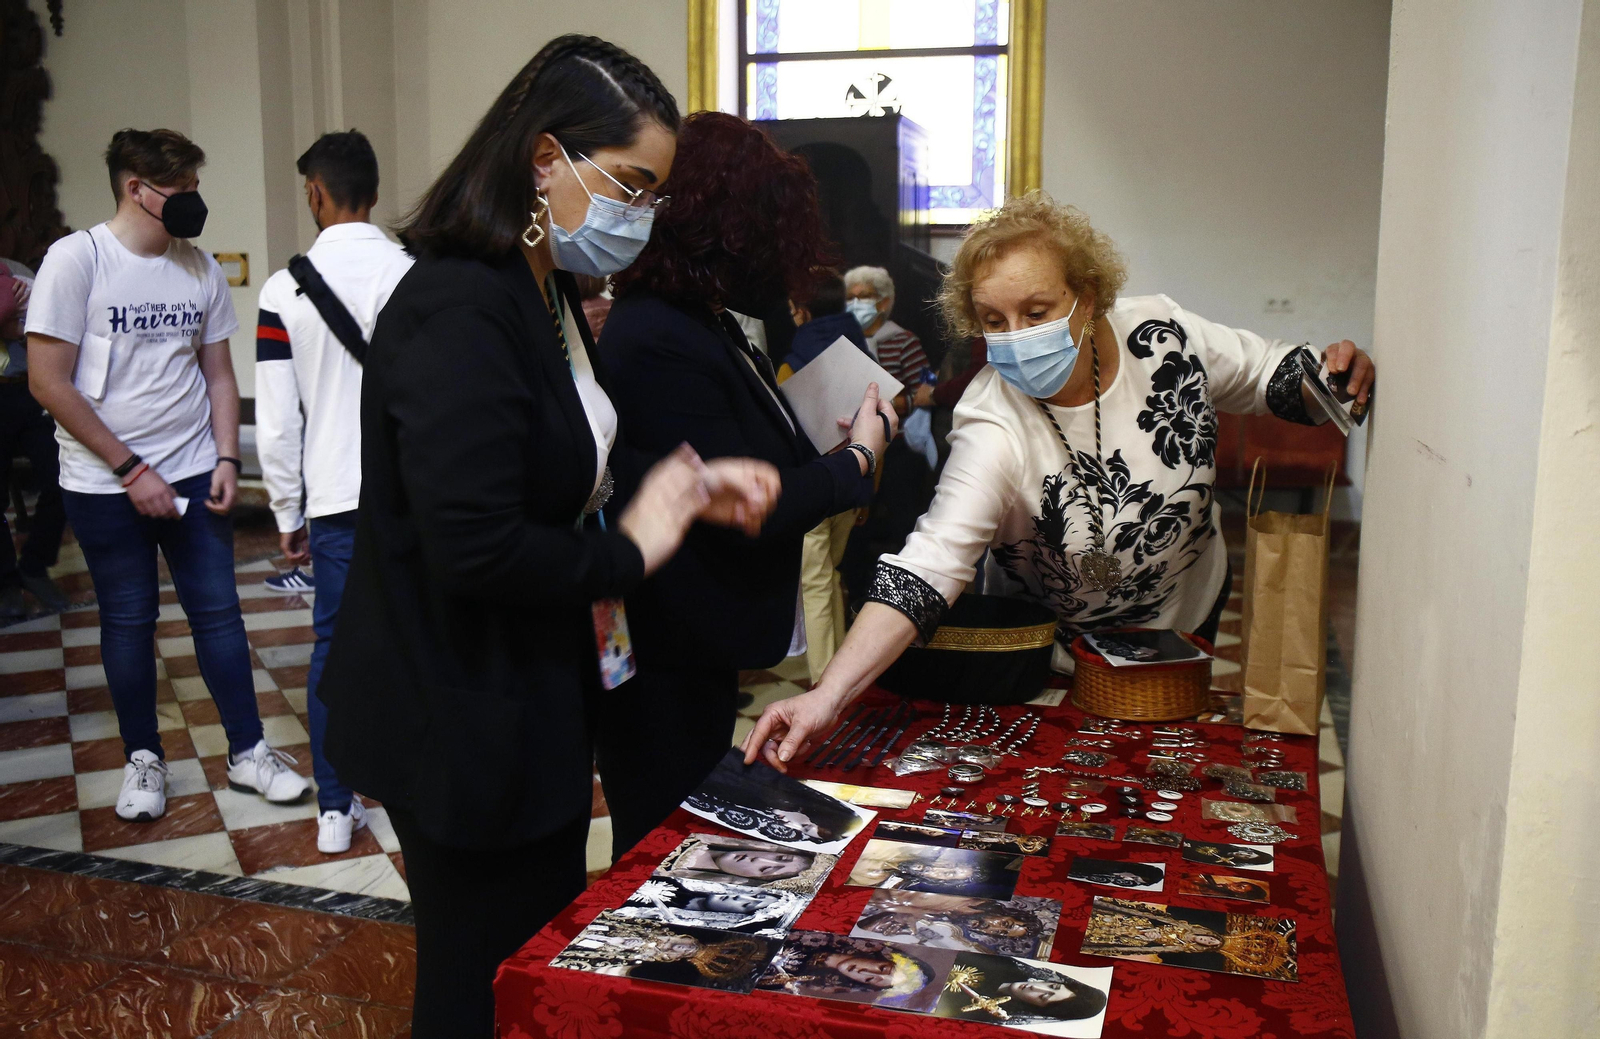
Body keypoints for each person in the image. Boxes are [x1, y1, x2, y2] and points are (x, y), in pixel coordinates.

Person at [313, 37, 779, 1039]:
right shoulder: (457, 301)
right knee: (479, 973)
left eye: (655, 193)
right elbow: (476, 546)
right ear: (545, 161)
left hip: (529, 692)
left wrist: (677, 492)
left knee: (528, 950)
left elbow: (558, 472)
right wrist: (635, 547)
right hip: (459, 711)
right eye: (632, 184)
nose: (642, 216)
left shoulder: (548, 290)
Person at [746, 192, 1377, 768]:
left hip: (1185, 613)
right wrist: (827, 696)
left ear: (1090, 296)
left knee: (1165, 767)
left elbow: (1271, 376)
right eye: (994, 321)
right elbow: (929, 565)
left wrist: (1339, 376)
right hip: (1049, 646)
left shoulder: (1161, 335)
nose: (1017, 338)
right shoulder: (991, 420)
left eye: (1037, 311)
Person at [595, 111, 897, 860]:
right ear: (726, 225)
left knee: (690, 827)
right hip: (665, 643)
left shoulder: (709, 322)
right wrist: (856, 463)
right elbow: (748, 503)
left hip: (699, 644)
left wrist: (828, 443)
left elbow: (764, 450)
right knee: (659, 846)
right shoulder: (655, 334)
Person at [26, 128, 309, 822]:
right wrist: (130, 469)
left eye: (194, 185)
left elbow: (217, 371)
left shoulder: (198, 266)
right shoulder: (77, 261)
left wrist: (224, 458)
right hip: (103, 481)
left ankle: (249, 752)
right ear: (136, 188)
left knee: (218, 613)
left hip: (191, 471)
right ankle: (143, 759)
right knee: (129, 618)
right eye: (180, 188)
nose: (192, 200)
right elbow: (47, 381)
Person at [254, 129, 414, 854]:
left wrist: (285, 510)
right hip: (413, 493)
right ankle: (412, 782)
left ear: (315, 193)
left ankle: (333, 802)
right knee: (416, 638)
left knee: (333, 646)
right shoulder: (416, 275)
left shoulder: (282, 289)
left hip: (334, 498)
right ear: (374, 192)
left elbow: (278, 421)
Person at [781, 272, 870, 682]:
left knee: (814, 583)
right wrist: (867, 488)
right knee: (832, 575)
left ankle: (823, 681)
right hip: (854, 481)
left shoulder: (792, 361)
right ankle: (842, 674)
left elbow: (783, 434)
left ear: (803, 311)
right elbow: (875, 420)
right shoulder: (861, 350)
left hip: (814, 485)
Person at [0, 260, 70, 618]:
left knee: (62, 476)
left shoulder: (15, 272)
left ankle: (34, 566)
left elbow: (53, 325)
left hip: (27, 390)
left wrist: (21, 328)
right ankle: (6, 582)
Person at [843, 264, 931, 390]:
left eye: (864, 296)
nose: (855, 304)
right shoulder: (844, 341)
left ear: (884, 303)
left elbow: (927, 391)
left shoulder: (904, 342)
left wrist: (892, 402)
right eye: (850, 298)